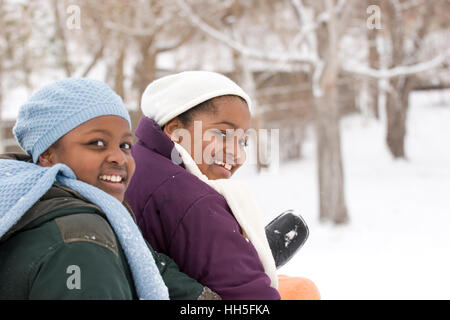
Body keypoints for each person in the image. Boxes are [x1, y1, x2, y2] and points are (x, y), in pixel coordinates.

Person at [0, 78, 220, 300]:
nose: (119, 157)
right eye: (97, 143)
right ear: (47, 154)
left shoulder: (28, 205)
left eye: (125, 145)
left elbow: (146, 266)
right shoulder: (80, 239)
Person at [126, 71, 319, 299]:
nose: (237, 154)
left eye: (243, 141)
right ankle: (241, 259)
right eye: (222, 133)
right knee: (303, 291)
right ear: (174, 130)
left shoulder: (136, 160)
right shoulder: (192, 200)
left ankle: (240, 257)